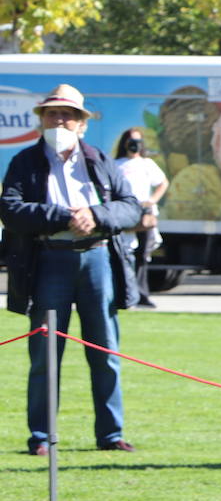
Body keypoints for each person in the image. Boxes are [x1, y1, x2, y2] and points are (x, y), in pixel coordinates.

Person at [2, 85, 142, 456]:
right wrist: (64, 216)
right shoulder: (24, 162)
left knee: (106, 350)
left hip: (97, 259)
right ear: (40, 121)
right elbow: (11, 210)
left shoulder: (99, 160)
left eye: (67, 114)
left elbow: (131, 208)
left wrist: (94, 215)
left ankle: (111, 434)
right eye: (52, 114)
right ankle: (42, 437)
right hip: (49, 260)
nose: (59, 120)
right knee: (45, 352)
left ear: (82, 123)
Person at [113, 128, 168, 308]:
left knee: (143, 255)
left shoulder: (147, 164)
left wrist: (151, 201)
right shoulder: (116, 164)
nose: (134, 145)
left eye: (138, 141)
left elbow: (162, 182)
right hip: (124, 213)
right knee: (124, 253)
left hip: (144, 213)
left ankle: (142, 293)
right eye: (131, 141)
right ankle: (125, 292)